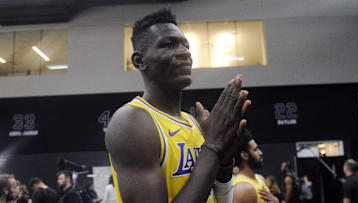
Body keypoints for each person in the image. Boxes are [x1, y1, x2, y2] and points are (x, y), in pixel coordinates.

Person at [105, 8, 251, 203]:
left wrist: (222, 164)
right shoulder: (131, 123)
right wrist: (213, 146)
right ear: (140, 61)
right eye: (169, 45)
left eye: (186, 45)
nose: (184, 52)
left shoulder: (193, 122)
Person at [232, 129, 279, 203]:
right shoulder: (243, 189)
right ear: (244, 155)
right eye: (255, 149)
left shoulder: (260, 178)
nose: (260, 152)